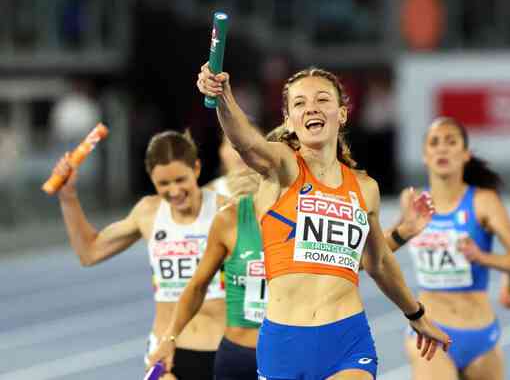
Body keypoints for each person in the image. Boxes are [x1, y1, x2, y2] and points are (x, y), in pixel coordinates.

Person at [197, 63, 451, 379]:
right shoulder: (282, 169)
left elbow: (378, 263)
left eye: (322, 100)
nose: (311, 108)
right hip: (284, 342)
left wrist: (417, 315)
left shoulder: (364, 188)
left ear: (342, 113)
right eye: (300, 103)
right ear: (289, 120)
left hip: (347, 339)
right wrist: (224, 97)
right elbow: (246, 143)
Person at [149, 127, 437, 379]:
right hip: (243, 354)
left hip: (305, 344)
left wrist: (402, 233)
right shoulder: (231, 219)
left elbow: (354, 262)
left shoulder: (314, 218)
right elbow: (197, 284)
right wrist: (169, 337)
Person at [52, 130, 226, 380]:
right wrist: (68, 197)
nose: (174, 191)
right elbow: (89, 252)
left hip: (218, 349)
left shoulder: (224, 211)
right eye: (163, 184)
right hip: (167, 352)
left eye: (180, 179)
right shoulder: (148, 213)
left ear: (196, 169)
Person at [392, 117, 510, 380]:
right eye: (434, 142)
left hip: (481, 335)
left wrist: (482, 257)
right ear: (425, 155)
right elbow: (384, 247)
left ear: (465, 154)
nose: (442, 148)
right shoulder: (411, 200)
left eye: (451, 142)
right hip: (430, 330)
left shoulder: (483, 202)